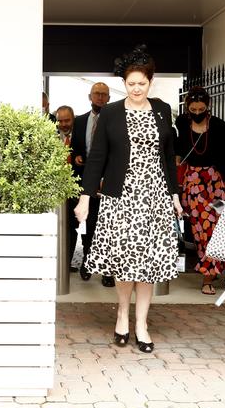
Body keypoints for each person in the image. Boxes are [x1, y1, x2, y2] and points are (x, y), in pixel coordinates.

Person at [75, 45, 182, 353]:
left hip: (155, 196)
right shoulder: (110, 113)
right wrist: (85, 198)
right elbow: (96, 159)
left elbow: (168, 155)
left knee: (148, 263)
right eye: (131, 84)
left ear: (151, 82)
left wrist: (174, 194)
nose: (136, 89)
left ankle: (142, 324)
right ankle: (123, 313)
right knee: (125, 262)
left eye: (142, 84)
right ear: (124, 84)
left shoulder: (162, 110)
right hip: (121, 197)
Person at [175, 86, 225, 295]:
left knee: (220, 227)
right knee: (202, 229)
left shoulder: (218, 126)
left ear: (208, 107)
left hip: (217, 185)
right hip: (194, 184)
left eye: (201, 109)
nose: (197, 112)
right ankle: (208, 275)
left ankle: (223, 269)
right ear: (187, 107)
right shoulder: (182, 123)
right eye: (193, 108)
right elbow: (179, 151)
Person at [72, 82, 115, 287]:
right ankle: (88, 263)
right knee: (89, 225)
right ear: (90, 96)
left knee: (108, 226)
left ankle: (108, 270)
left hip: (109, 180)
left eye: (103, 94)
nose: (100, 97)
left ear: (108, 98)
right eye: (96, 94)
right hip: (85, 178)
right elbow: (74, 148)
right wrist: (77, 156)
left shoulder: (115, 120)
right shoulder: (79, 121)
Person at [56, 105, 79, 268]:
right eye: (60, 121)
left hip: (76, 188)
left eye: (67, 120)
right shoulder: (50, 137)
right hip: (56, 190)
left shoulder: (80, 135)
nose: (63, 124)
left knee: (71, 227)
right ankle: (57, 262)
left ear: (73, 119)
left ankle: (67, 262)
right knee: (58, 227)